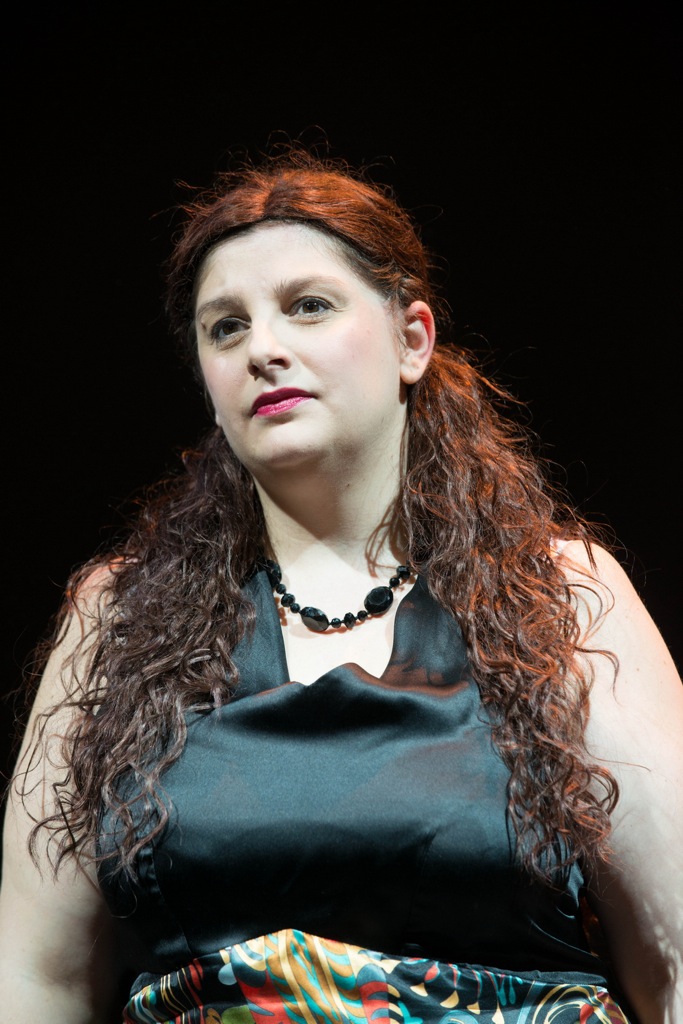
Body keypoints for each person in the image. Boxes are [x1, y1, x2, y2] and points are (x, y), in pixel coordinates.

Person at [0, 147, 681, 1024]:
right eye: (225, 328)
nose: (263, 349)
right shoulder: (117, 618)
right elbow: (36, 979)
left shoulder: (562, 596)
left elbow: (672, 960)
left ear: (411, 340)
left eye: (307, 306)